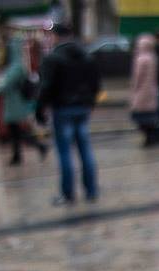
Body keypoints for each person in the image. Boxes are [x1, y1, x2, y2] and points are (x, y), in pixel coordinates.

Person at [36, 22, 101, 204]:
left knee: (65, 152)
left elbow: (46, 86)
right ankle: (91, 190)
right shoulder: (86, 56)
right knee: (85, 149)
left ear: (56, 36)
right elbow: (96, 84)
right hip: (82, 107)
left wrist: (40, 109)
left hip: (62, 108)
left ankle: (68, 193)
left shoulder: (53, 59)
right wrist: (90, 102)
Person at [0, 36, 48, 166]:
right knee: (15, 130)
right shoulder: (16, 66)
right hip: (14, 102)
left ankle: (36, 147)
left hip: (15, 103)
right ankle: (19, 155)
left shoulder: (16, 67)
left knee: (17, 130)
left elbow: (8, 84)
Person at [129, 34, 159, 147]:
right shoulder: (153, 57)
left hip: (141, 91)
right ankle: (152, 135)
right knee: (150, 115)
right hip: (152, 90)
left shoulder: (141, 58)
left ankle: (148, 137)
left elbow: (137, 76)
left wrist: (134, 88)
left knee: (140, 115)